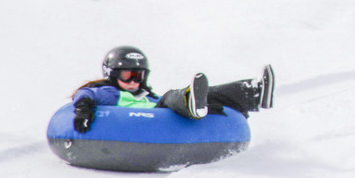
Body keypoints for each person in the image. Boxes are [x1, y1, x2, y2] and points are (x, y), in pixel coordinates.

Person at [71, 45, 275, 133]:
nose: (134, 81)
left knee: (210, 95)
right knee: (171, 96)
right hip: (150, 124)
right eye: (127, 75)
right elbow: (86, 93)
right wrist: (83, 108)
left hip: (162, 118)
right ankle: (190, 101)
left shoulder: (145, 95)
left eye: (139, 75)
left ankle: (253, 93)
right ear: (112, 75)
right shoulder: (109, 93)